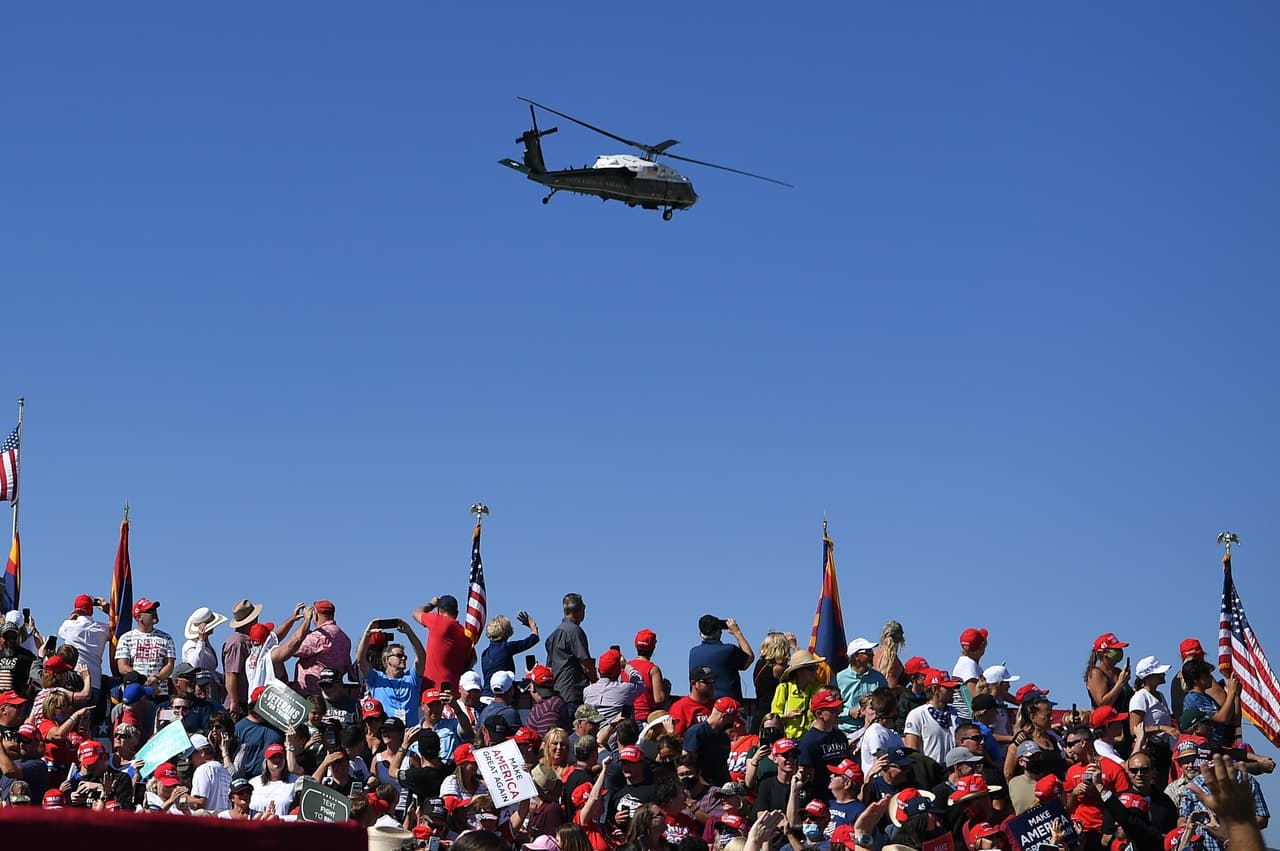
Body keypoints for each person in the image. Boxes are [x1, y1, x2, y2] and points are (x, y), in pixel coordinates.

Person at [358, 617, 427, 726]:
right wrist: (367, 633)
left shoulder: (412, 678)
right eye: (399, 655)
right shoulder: (376, 679)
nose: (403, 658)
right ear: (387, 660)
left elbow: (421, 656)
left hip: (410, 733)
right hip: (387, 732)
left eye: (404, 656)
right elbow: (361, 660)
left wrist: (409, 632)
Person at [277, 599, 353, 696]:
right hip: (333, 695)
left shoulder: (317, 636)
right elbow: (346, 666)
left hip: (310, 696)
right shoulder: (345, 639)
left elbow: (291, 648)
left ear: (315, 615)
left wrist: (305, 621)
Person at [1127, 655, 1177, 788]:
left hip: (1163, 749)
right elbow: (1134, 730)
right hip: (1149, 749)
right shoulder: (1140, 697)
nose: (1163, 675)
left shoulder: (1160, 695)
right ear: (1148, 677)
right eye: (1159, 673)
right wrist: (1161, 728)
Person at [113, 597, 176, 700]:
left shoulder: (166, 637)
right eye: (149, 611)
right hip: (135, 694)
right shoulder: (126, 638)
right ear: (139, 617)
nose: (154, 613)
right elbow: (122, 667)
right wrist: (144, 681)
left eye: (154, 610)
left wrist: (156, 678)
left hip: (160, 693)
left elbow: (169, 665)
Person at [544, 593, 595, 714]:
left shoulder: (553, 635)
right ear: (580, 610)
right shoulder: (575, 632)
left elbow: (549, 667)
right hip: (573, 692)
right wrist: (596, 682)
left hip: (557, 693)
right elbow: (586, 664)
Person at [412, 595, 474, 692]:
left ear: (439, 611)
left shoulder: (438, 621)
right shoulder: (465, 634)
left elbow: (416, 613)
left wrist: (432, 604)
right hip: (454, 691)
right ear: (457, 613)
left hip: (432, 689)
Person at [56, 594, 111, 702]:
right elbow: (118, 628)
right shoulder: (103, 629)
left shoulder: (68, 626)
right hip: (94, 681)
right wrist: (108, 610)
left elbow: (62, 629)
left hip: (73, 679)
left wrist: (74, 614)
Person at [689, 615, 754, 702]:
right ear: (719, 632)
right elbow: (749, 658)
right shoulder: (729, 650)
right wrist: (737, 632)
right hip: (728, 705)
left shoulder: (693, 652)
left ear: (700, 633)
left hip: (702, 704)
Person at [903, 669, 960, 765]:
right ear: (935, 689)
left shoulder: (954, 713)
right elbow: (912, 751)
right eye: (947, 688)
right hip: (931, 771)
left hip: (953, 770)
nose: (952, 691)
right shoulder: (917, 714)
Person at [1180, 658, 1241, 747]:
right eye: (1206, 675)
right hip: (1207, 747)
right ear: (1195, 680)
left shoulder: (1206, 697)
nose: (1211, 678)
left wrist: (1236, 695)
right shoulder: (1193, 698)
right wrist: (1231, 692)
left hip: (1221, 745)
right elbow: (1222, 718)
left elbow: (1235, 721)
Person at [683, 696, 740, 786]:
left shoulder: (724, 738)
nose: (733, 724)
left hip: (720, 787)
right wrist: (703, 786)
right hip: (700, 788)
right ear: (724, 717)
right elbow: (686, 764)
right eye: (732, 720)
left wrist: (729, 785)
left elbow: (723, 767)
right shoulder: (697, 732)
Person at [835, 638, 888, 734]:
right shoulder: (839, 679)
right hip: (845, 731)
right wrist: (849, 712)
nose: (872, 655)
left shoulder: (879, 678)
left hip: (872, 730)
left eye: (871, 652)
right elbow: (831, 706)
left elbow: (886, 703)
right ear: (856, 656)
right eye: (868, 652)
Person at [482, 611, 541, 697]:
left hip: (485, 695)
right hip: (502, 695)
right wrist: (532, 626)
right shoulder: (506, 648)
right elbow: (533, 639)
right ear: (506, 632)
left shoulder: (484, 653)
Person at [223, 599, 265, 717]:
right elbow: (231, 674)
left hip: (245, 702)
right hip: (240, 704)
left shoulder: (246, 639)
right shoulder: (237, 642)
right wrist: (234, 701)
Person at [772, 650, 824, 740]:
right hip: (788, 741)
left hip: (812, 740)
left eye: (816, 668)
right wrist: (787, 716)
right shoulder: (784, 688)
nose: (815, 672)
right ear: (799, 671)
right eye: (811, 669)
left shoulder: (819, 689)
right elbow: (773, 717)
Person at [751, 631, 795, 734]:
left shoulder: (760, 664)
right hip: (772, 718)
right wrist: (794, 646)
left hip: (760, 715)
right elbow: (802, 667)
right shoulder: (778, 669)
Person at [584, 648, 645, 720]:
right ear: (619, 671)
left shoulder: (587, 690)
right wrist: (625, 666)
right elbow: (641, 684)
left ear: (599, 670)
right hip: (616, 727)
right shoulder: (626, 689)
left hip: (593, 727)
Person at [1086, 632, 1133, 712]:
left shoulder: (1119, 672)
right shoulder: (1096, 673)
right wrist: (1120, 683)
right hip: (1107, 720)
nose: (1120, 651)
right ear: (1105, 652)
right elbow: (1103, 705)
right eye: (1116, 649)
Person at [630, 629, 668, 723]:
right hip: (646, 718)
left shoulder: (626, 667)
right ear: (653, 647)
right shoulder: (653, 669)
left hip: (630, 717)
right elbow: (659, 699)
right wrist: (665, 690)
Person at [188, 731, 233, 812]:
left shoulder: (202, 769)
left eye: (190, 757)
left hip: (207, 819)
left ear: (202, 752)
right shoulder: (225, 771)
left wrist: (183, 797)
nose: (188, 761)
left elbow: (199, 803)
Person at [951, 628, 988, 721]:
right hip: (966, 718)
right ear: (982, 646)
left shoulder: (968, 663)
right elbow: (976, 696)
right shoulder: (969, 665)